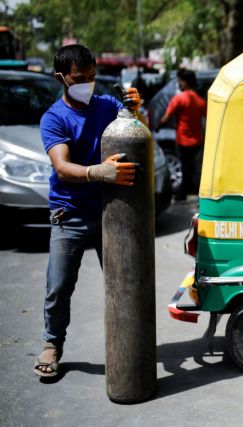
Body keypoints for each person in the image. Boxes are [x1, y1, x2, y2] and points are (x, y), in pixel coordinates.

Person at [34, 44, 143, 378]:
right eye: (80, 79)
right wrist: (98, 172)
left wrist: (135, 111)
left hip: (112, 213)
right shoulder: (55, 118)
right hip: (71, 214)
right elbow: (63, 167)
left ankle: (133, 344)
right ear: (62, 78)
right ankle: (52, 344)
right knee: (59, 286)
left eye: (93, 78)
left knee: (125, 282)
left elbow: (134, 133)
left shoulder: (107, 106)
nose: (88, 84)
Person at [156, 68, 207, 200]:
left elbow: (166, 117)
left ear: (184, 82)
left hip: (183, 139)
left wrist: (157, 126)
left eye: (179, 81)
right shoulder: (200, 100)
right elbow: (209, 117)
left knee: (184, 166)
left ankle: (182, 193)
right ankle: (194, 191)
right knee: (193, 167)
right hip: (197, 141)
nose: (178, 84)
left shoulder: (179, 99)